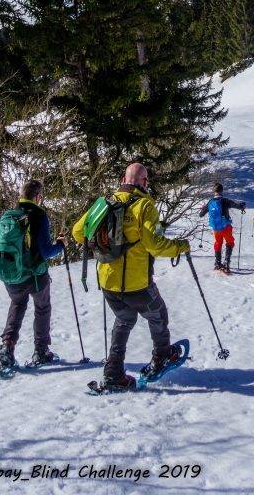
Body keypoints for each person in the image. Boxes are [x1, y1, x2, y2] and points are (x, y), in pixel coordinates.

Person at [72, 162, 190, 392]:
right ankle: (162, 356)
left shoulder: (104, 203)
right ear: (144, 182)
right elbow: (154, 245)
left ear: (123, 179)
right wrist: (180, 246)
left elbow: (78, 232)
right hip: (137, 283)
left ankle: (113, 373)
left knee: (124, 320)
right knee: (158, 315)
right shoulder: (145, 205)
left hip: (108, 282)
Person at [0, 178, 65, 369]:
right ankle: (41, 350)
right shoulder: (40, 216)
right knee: (42, 307)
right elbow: (46, 252)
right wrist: (61, 245)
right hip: (36, 276)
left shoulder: (4, 217)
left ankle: (7, 347)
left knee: (17, 304)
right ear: (38, 197)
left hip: (11, 276)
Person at [199, 182, 245, 273]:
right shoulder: (225, 201)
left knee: (218, 243)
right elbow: (237, 205)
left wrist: (203, 208)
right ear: (222, 191)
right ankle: (227, 262)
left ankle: (217, 262)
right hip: (226, 226)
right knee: (230, 242)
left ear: (214, 191)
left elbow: (201, 215)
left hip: (216, 228)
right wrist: (242, 205)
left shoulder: (210, 202)